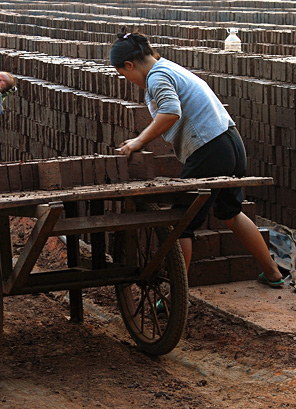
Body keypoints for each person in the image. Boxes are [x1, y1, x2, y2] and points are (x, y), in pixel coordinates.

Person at [111, 31, 285, 288]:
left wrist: (139, 141)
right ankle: (273, 274)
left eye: (125, 75)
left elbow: (170, 112)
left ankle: (175, 294)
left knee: (182, 223)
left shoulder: (158, 78)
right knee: (231, 212)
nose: (129, 80)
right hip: (231, 142)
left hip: (210, 149)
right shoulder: (170, 67)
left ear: (129, 65)